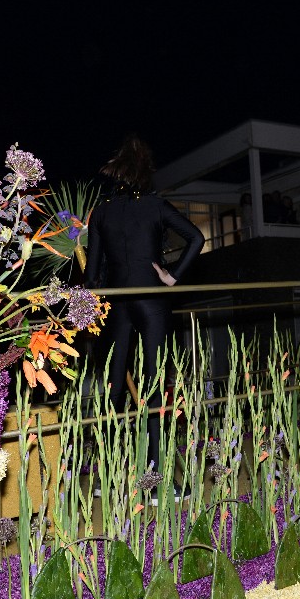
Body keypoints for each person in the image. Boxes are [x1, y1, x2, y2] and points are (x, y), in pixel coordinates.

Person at [85, 134, 205, 472]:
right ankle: (155, 467)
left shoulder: (101, 212)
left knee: (114, 384)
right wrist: (173, 275)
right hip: (152, 298)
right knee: (153, 383)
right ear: (144, 172)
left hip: (117, 302)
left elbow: (92, 277)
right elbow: (196, 237)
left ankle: (106, 471)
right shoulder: (155, 205)